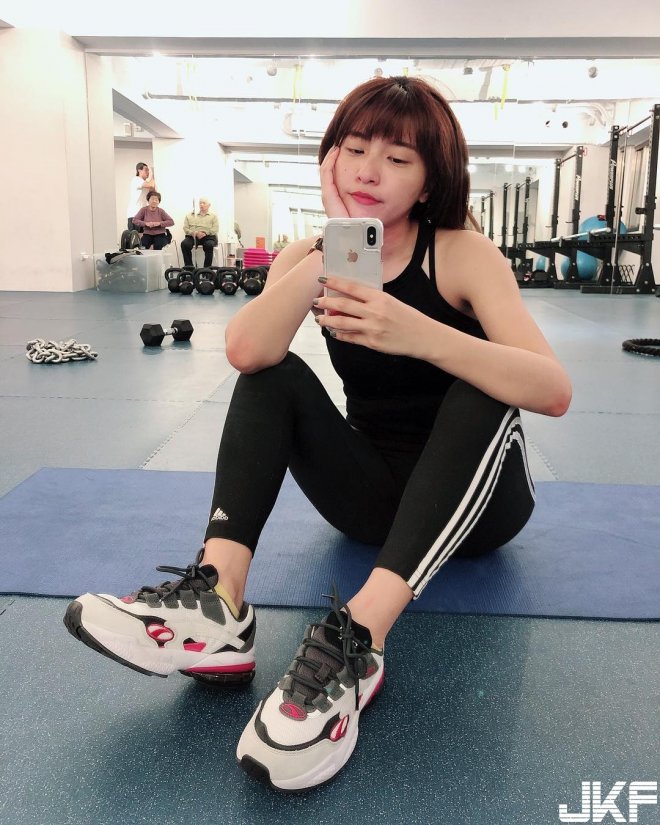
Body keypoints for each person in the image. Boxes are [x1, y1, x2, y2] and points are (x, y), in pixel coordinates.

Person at [64, 76, 571, 792]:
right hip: (369, 501)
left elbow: (552, 390)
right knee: (272, 374)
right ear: (329, 158)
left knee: (484, 388)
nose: (369, 170)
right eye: (354, 149)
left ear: (429, 182)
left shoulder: (461, 253)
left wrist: (421, 334)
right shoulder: (310, 254)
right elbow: (246, 351)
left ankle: (360, 637)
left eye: (398, 158)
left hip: (479, 510)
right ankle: (219, 606)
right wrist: (334, 249)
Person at [181, 198, 219, 268]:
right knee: (184, 244)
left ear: (209, 205)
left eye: (204, 203)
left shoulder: (213, 216)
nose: (201, 204)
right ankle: (189, 268)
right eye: (200, 203)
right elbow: (185, 228)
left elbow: (215, 229)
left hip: (208, 236)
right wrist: (193, 233)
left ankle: (206, 270)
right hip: (193, 236)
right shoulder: (189, 216)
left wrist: (205, 233)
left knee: (209, 245)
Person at [127, 162, 156, 231]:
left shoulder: (144, 183)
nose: (148, 172)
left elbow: (153, 190)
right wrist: (152, 173)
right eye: (146, 170)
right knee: (137, 237)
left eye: (148, 170)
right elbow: (151, 185)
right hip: (134, 215)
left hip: (142, 216)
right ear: (139, 170)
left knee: (144, 236)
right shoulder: (136, 179)